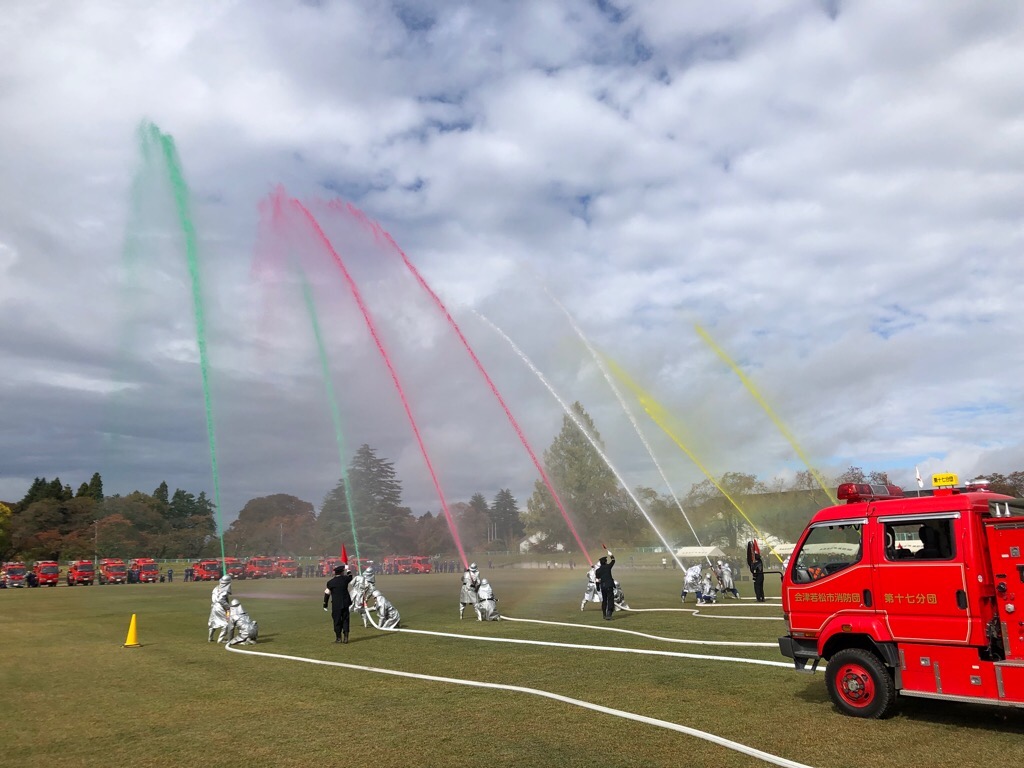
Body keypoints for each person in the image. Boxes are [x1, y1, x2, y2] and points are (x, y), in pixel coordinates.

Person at [323, 564, 354, 643]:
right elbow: (350, 576)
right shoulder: (345, 579)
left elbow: (327, 594)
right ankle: (346, 637)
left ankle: (338, 638)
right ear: (342, 572)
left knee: (337, 621)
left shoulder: (330, 582)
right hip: (345, 603)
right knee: (345, 620)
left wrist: (325, 604)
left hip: (336, 604)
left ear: (335, 573)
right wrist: (348, 570)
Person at [208, 574, 232, 642]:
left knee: (212, 622)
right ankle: (220, 639)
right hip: (220, 607)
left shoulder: (216, 588)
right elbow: (221, 600)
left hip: (213, 606)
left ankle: (210, 638)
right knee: (226, 624)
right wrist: (228, 607)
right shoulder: (224, 590)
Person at [595, 552, 616, 620]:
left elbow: (597, 580)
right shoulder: (608, 567)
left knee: (604, 600)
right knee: (610, 600)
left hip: (603, 587)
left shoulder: (597, 570)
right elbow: (613, 561)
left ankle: (604, 614)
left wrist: (598, 587)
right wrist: (611, 555)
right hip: (609, 586)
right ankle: (609, 614)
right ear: (606, 562)